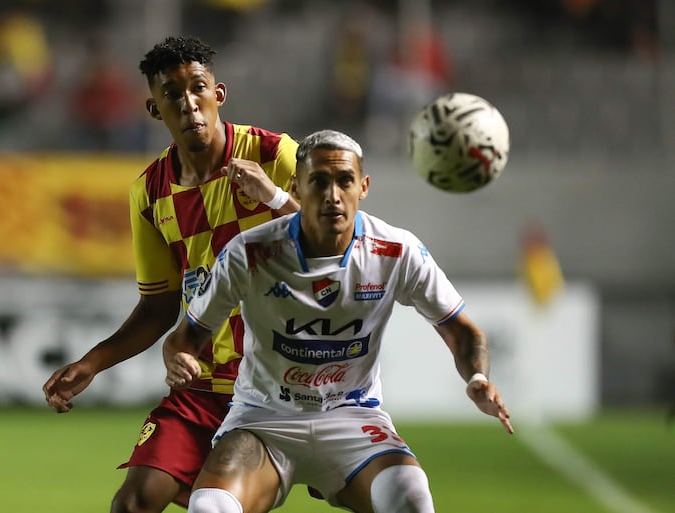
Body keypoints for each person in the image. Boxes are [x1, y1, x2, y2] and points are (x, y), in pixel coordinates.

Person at [164, 129, 514, 513]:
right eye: (319, 181)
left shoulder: (396, 251)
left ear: (363, 186)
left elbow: (463, 332)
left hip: (354, 418)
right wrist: (179, 358)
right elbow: (185, 338)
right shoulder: (250, 254)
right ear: (296, 187)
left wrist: (478, 378)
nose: (333, 195)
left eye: (344, 180)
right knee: (210, 505)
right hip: (265, 419)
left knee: (412, 497)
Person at [42, 35, 300, 513]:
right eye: (171, 93)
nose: (188, 102)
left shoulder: (274, 156)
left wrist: (277, 199)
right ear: (154, 108)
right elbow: (158, 305)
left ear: (218, 94)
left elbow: (346, 242)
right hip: (200, 388)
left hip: (277, 389)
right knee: (132, 504)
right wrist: (93, 363)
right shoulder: (149, 192)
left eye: (197, 87)